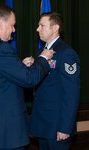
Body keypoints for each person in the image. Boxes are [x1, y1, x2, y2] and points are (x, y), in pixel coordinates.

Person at [0, 4, 54, 150]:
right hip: (5, 133)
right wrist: (43, 58)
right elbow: (30, 79)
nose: (14, 30)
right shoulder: (1, 48)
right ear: (2, 24)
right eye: (12, 25)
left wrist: (20, 66)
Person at [31, 12, 80, 150]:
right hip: (43, 124)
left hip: (57, 126)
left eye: (42, 25)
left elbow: (71, 94)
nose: (37, 29)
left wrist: (65, 127)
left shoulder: (66, 53)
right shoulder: (42, 52)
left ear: (55, 28)